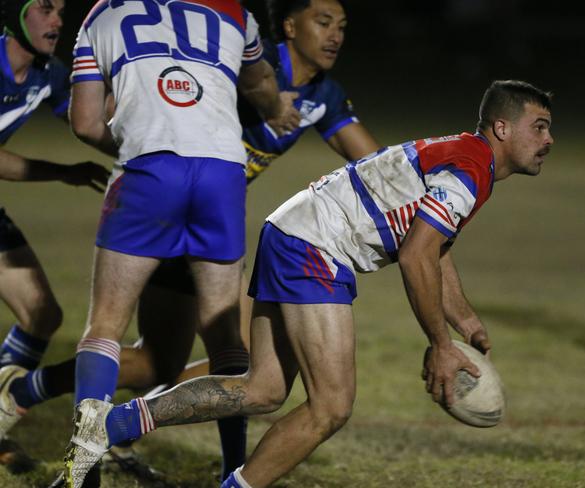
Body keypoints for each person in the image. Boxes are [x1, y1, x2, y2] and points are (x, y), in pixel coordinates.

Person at [62, 79, 554, 488]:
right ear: (502, 128)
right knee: (331, 406)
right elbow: (417, 253)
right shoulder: (471, 167)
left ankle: (109, 423)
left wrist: (465, 321)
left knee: (263, 389)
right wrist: (440, 345)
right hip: (315, 246)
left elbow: (433, 248)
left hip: (293, 231)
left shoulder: (466, 157)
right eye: (539, 127)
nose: (548, 140)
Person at [0, 0, 380, 483]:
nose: (335, 36)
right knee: (180, 358)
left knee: (165, 361)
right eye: (323, 22)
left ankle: (69, 420)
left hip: (181, 197)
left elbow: (374, 163)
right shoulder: (246, 54)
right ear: (288, 26)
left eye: (343, 26)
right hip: (206, 196)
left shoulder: (323, 93)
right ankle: (35, 398)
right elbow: (217, 92)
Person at [0, 0, 108, 418]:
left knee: (41, 314)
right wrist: (62, 172)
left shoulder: (50, 74)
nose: (58, 20)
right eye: (45, 8)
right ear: (14, 15)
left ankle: (2, 414)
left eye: (61, 10)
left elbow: (96, 121)